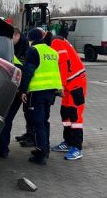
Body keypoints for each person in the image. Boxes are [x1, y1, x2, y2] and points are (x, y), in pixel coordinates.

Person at [19, 28, 64, 165]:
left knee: (38, 122)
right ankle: (46, 148)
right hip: (50, 92)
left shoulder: (33, 51)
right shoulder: (52, 52)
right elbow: (56, 71)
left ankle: (41, 152)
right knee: (44, 121)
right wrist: (59, 88)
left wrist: (23, 90)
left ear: (31, 39)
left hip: (37, 91)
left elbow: (28, 72)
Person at [0, 30, 27, 158]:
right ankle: (2, 149)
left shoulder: (2, 55)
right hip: (16, 94)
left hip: (5, 93)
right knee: (7, 121)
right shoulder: (17, 56)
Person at [50, 25, 88, 160]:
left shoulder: (56, 42)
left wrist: (60, 86)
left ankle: (77, 147)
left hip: (76, 82)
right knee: (65, 113)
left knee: (75, 114)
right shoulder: (57, 41)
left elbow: (63, 64)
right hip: (70, 83)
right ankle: (68, 142)